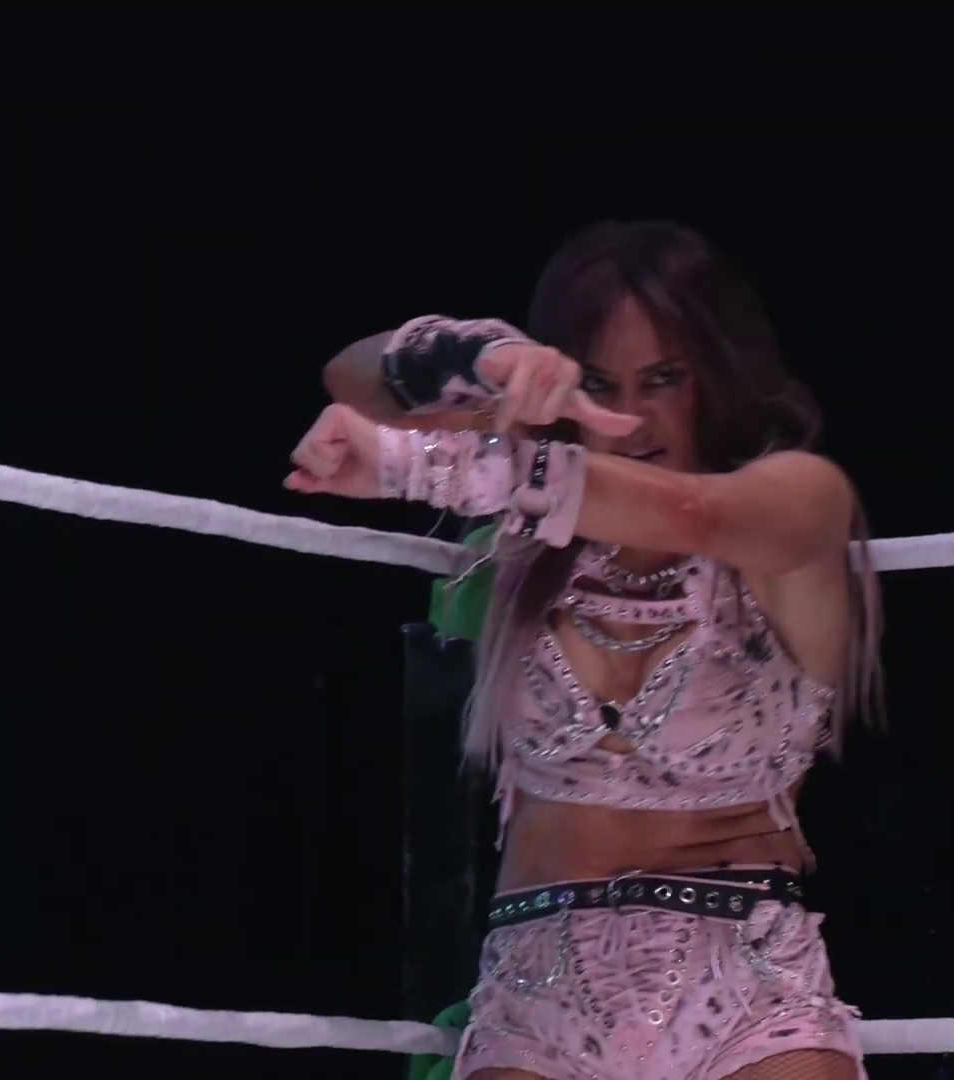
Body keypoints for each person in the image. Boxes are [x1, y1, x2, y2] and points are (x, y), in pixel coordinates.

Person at [293, 221, 883, 1080]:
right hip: (534, 988)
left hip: (745, 985)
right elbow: (352, 374)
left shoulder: (799, 495)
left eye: (666, 378)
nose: (632, 416)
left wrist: (426, 464)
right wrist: (487, 359)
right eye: (601, 382)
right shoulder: (533, 519)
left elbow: (693, 515)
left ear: (720, 373)